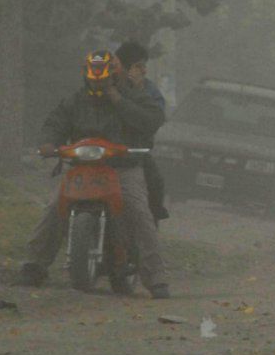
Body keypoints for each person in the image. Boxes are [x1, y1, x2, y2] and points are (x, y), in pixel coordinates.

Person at [17, 50, 170, 299]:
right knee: (55, 205)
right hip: (82, 167)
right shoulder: (74, 100)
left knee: (140, 212)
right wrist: (48, 142)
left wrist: (116, 98)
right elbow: (54, 123)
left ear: (114, 76)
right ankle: (34, 266)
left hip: (123, 167)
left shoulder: (134, 96)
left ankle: (156, 279)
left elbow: (151, 119)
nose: (97, 84)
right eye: (94, 79)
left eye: (104, 79)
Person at [115, 41, 170, 223]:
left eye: (144, 66)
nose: (144, 71)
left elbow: (155, 118)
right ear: (122, 66)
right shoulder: (106, 85)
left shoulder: (149, 90)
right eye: (139, 66)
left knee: (155, 183)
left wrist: (138, 91)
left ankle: (151, 225)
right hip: (101, 150)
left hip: (134, 152)